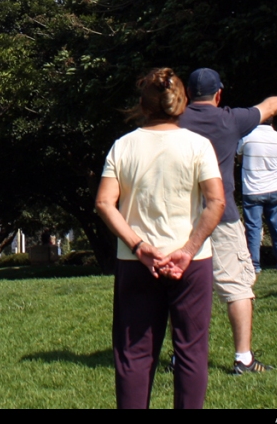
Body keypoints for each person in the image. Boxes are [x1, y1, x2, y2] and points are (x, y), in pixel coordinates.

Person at [96, 68, 225, 409]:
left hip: (136, 263)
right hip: (191, 263)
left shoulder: (122, 146)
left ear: (143, 104)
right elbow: (216, 202)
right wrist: (188, 249)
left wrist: (139, 246)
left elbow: (104, 203)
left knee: (133, 355)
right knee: (191, 353)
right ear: (181, 103)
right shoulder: (199, 146)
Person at [178, 68, 277, 375]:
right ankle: (243, 358)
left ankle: (181, 357)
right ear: (219, 94)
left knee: (182, 289)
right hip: (221, 218)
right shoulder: (230, 120)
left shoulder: (175, 122)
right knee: (237, 287)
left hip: (180, 219)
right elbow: (270, 106)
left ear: (188, 94)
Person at [236, 118, 277, 274]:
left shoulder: (246, 137)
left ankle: (254, 265)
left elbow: (240, 158)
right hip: (276, 187)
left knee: (254, 229)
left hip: (253, 189)